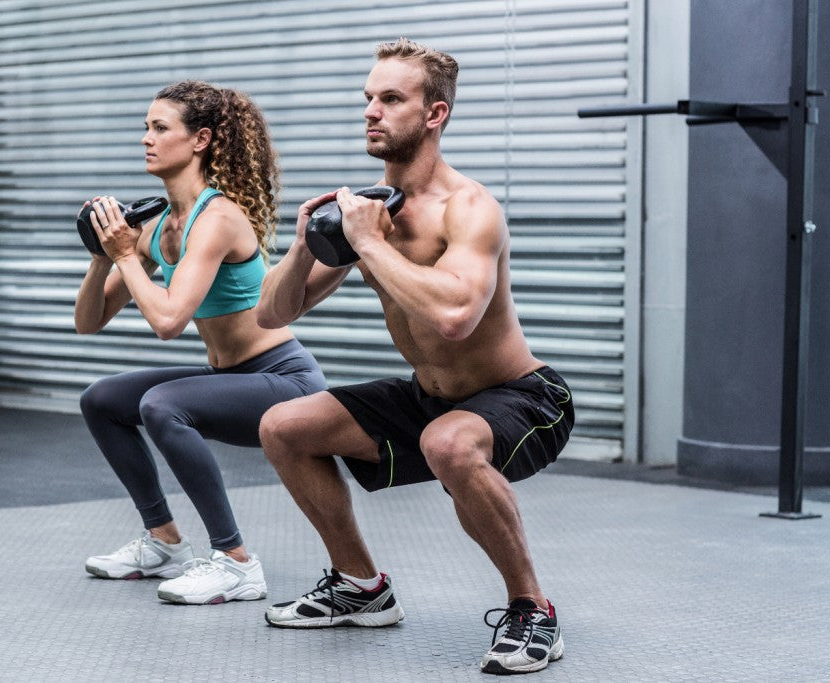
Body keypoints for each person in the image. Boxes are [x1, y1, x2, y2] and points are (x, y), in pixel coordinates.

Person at [255, 38, 574, 674]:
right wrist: (300, 245)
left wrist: (370, 246)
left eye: (391, 99)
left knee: (449, 444)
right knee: (284, 427)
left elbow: (456, 317)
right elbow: (273, 314)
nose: (371, 111)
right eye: (368, 99)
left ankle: (532, 609)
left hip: (524, 397)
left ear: (435, 114)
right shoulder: (371, 215)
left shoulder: (468, 207)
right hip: (431, 397)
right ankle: (361, 586)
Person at [74, 80, 327, 605]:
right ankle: (164, 541)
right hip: (231, 378)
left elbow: (167, 322)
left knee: (162, 405)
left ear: (200, 140)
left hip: (282, 380)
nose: (146, 138)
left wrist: (125, 256)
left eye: (159, 128)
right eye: (145, 127)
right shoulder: (159, 225)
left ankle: (236, 563)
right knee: (101, 399)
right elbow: (89, 321)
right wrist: (104, 256)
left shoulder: (218, 219)